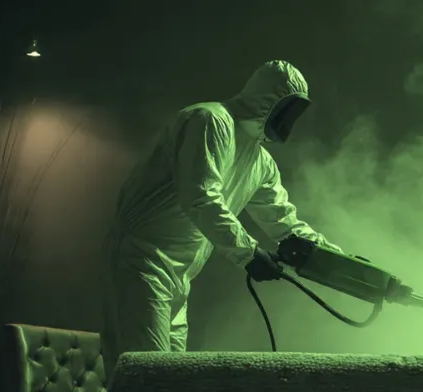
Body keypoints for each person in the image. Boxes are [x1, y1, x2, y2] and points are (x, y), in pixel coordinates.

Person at [101, 60, 341, 374]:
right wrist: (249, 254)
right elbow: (200, 197)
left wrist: (340, 263)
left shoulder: (260, 162)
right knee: (146, 376)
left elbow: (285, 222)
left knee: (168, 381)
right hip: (140, 261)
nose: (289, 121)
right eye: (288, 108)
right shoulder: (210, 120)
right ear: (267, 98)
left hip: (180, 276)